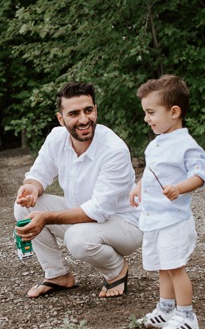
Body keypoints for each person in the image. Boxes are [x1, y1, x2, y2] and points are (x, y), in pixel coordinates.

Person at [14, 81, 142, 298]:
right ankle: (57, 275)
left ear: (95, 110)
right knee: (24, 209)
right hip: (83, 215)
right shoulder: (56, 138)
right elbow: (38, 174)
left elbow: (97, 211)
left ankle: (116, 270)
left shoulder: (114, 150)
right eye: (74, 113)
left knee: (77, 239)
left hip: (125, 224)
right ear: (61, 119)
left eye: (88, 110)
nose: (84, 119)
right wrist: (31, 188)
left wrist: (46, 218)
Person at [128, 74, 205, 329]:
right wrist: (139, 186)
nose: (146, 118)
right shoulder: (156, 143)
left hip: (174, 219)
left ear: (174, 112)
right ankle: (165, 309)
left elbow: (199, 175)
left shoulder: (187, 145)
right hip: (155, 218)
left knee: (175, 267)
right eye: (145, 112)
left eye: (151, 112)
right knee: (163, 266)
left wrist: (180, 188)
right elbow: (152, 172)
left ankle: (187, 317)